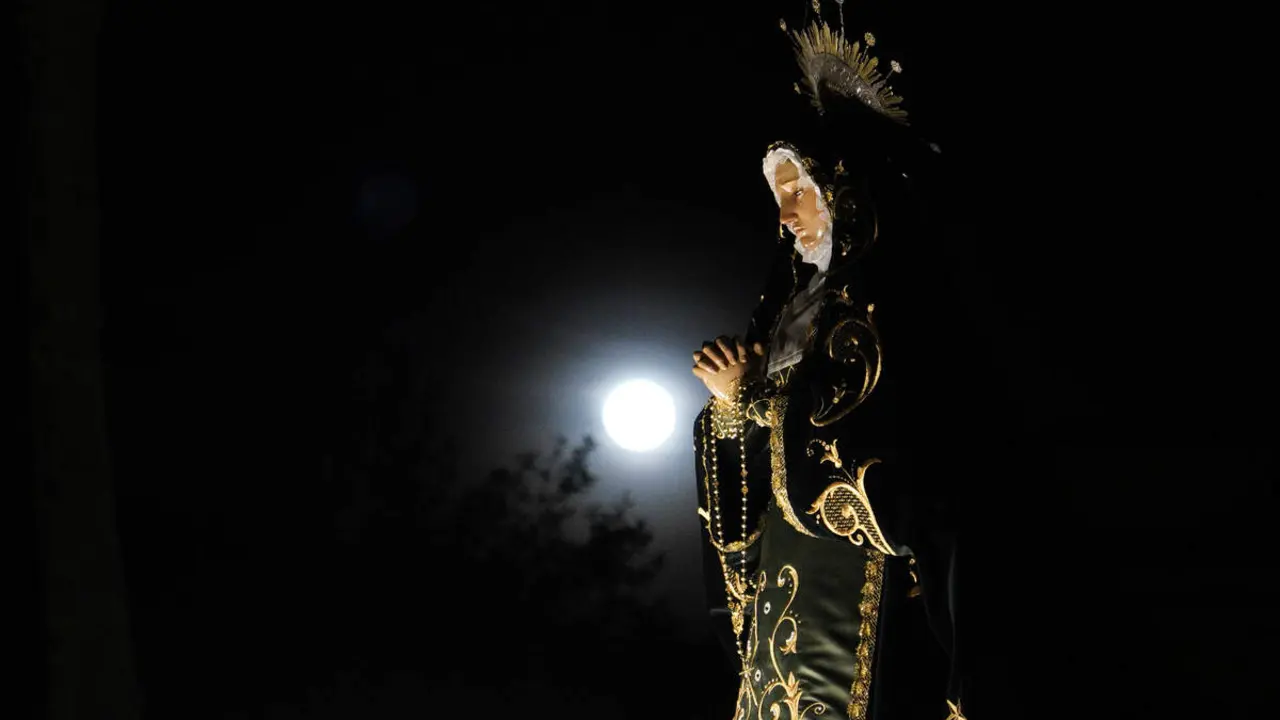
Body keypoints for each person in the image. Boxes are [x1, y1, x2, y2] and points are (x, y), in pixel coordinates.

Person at [690, 11, 1003, 720]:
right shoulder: (791, 314)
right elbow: (757, 475)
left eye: (797, 190)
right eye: (778, 199)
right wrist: (732, 403)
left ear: (844, 189)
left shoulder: (900, 310)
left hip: (866, 580)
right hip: (782, 589)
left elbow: (906, 455)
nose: (785, 215)